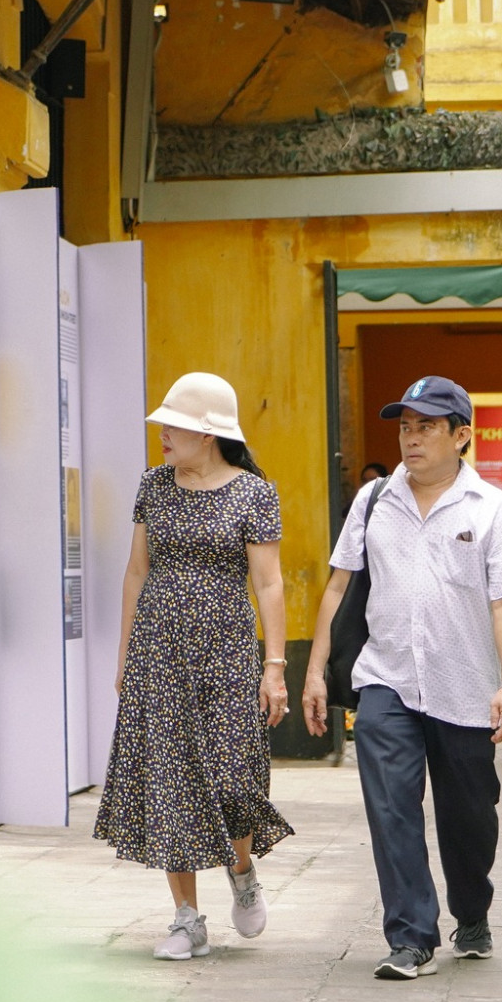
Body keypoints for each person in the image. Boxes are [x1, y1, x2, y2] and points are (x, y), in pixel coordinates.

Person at [302, 376, 502, 979]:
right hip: (386, 677)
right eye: (405, 426)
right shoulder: (373, 499)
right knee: (391, 807)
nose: (411, 438)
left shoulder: (493, 510)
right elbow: (339, 585)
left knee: (469, 819)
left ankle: (471, 909)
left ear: (462, 435)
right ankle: (410, 935)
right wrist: (313, 670)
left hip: (465, 686)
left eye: (427, 426)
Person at [95, 371, 293, 960]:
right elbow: (136, 572)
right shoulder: (153, 486)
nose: (162, 434)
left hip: (228, 650)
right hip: (159, 651)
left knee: (234, 774)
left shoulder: (253, 493)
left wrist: (275, 666)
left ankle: (241, 870)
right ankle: (186, 917)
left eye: (173, 425)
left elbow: (270, 582)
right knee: (170, 778)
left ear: (206, 435)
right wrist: (126, 655)